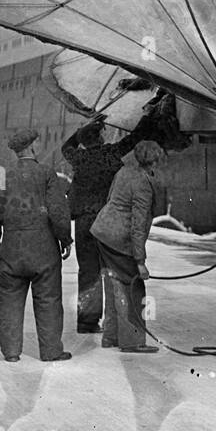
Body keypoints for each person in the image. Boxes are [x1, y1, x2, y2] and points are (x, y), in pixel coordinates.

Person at [0, 129, 72, 363]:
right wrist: (65, 239)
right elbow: (58, 212)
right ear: (32, 147)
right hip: (44, 250)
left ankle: (11, 352)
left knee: (9, 300)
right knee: (49, 300)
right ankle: (51, 351)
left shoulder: (0, 175)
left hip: (12, 249)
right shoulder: (46, 173)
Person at [61, 118, 140, 334]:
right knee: (112, 271)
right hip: (107, 222)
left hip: (84, 221)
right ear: (101, 137)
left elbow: (66, 147)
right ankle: (113, 324)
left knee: (88, 271)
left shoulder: (79, 157)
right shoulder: (110, 154)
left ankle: (87, 322)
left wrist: (81, 131)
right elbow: (134, 139)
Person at [91, 140, 166, 353]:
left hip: (103, 232)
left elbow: (110, 199)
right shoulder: (143, 183)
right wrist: (140, 261)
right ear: (154, 161)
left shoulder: (123, 172)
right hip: (118, 238)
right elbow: (138, 225)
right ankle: (132, 341)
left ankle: (111, 336)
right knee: (134, 287)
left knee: (113, 283)